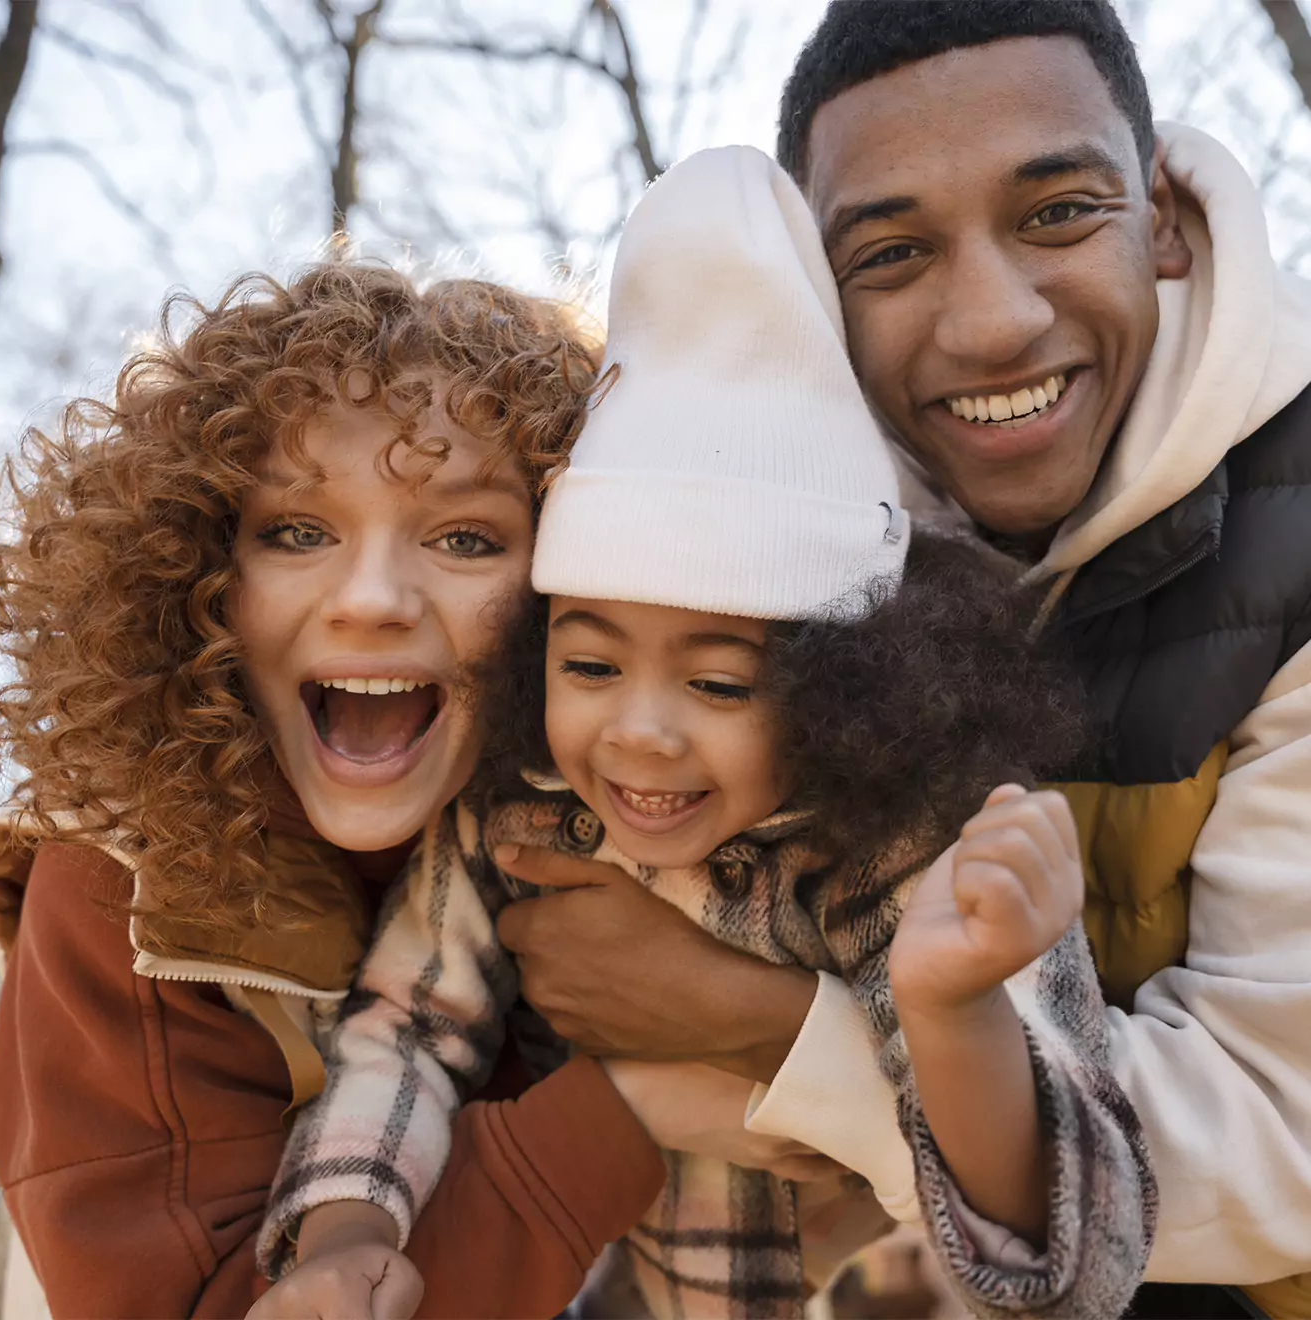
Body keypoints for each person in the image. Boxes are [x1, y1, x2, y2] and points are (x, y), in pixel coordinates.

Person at [485, 4, 1311, 1317]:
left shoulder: (1292, 545)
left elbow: (1283, 1142)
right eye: (892, 252)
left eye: (1057, 212)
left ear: (1158, 212)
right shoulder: (775, 561)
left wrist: (753, 1022)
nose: (989, 322)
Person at [251, 147, 1151, 1320]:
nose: (640, 736)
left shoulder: (918, 849)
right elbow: (406, 1031)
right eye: (587, 666)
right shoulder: (519, 817)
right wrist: (347, 1233)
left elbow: (1077, 1263)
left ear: (853, 692)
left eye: (722, 686)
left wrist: (951, 1009)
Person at [0, 264, 754, 1319]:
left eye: (464, 539)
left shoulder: (642, 825)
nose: (372, 601)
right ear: (196, 578)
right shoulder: (118, 884)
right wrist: (634, 1105)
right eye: (297, 533)